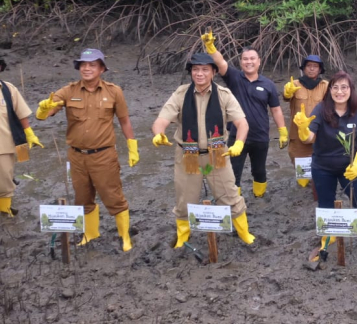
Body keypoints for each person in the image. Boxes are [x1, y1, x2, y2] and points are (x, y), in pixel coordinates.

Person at [36, 48, 139, 251]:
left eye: (92, 65)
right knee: (82, 197)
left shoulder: (114, 91)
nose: (87, 68)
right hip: (76, 157)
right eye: (83, 65)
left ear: (101, 68)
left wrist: (132, 146)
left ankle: (125, 236)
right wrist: (43, 108)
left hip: (104, 156)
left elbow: (124, 121)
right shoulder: (68, 91)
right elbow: (44, 116)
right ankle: (90, 234)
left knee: (113, 197)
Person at [151, 53, 255, 247]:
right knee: (184, 199)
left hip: (217, 154)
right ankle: (183, 235)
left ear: (213, 72)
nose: (199, 74)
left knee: (230, 195)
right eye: (195, 70)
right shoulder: (181, 94)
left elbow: (242, 123)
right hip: (187, 155)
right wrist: (158, 133)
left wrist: (239, 143)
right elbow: (161, 120)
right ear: (191, 72)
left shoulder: (224, 94)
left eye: (205, 69)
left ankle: (244, 232)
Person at [292, 71, 357, 257]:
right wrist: (302, 129)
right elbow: (310, 138)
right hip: (322, 168)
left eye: (344, 87)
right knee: (325, 204)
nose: (339, 92)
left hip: (350, 168)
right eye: (335, 87)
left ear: (351, 90)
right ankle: (328, 237)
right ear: (330, 90)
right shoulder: (320, 110)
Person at [201, 30, 287, 198]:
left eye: (252, 59)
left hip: (261, 135)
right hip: (236, 136)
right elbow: (221, 62)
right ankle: (235, 202)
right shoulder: (234, 77)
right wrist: (210, 47)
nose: (249, 62)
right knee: (233, 173)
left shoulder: (268, 84)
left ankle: (259, 197)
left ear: (259, 62)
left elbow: (276, 110)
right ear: (241, 62)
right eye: (245, 59)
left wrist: (283, 131)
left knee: (260, 171)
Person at [283, 55, 329, 193]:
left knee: (321, 163)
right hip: (297, 133)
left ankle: (319, 185)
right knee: (300, 164)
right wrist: (287, 92)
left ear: (320, 69)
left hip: (319, 132)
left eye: (315, 66)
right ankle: (303, 189)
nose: (311, 69)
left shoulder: (325, 86)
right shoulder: (294, 84)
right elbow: (286, 97)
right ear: (303, 68)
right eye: (309, 66)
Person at [0, 79, 43, 217]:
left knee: (5, 180)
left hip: (4, 145)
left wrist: (29, 134)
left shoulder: (8, 88)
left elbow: (21, 114)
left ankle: (5, 212)